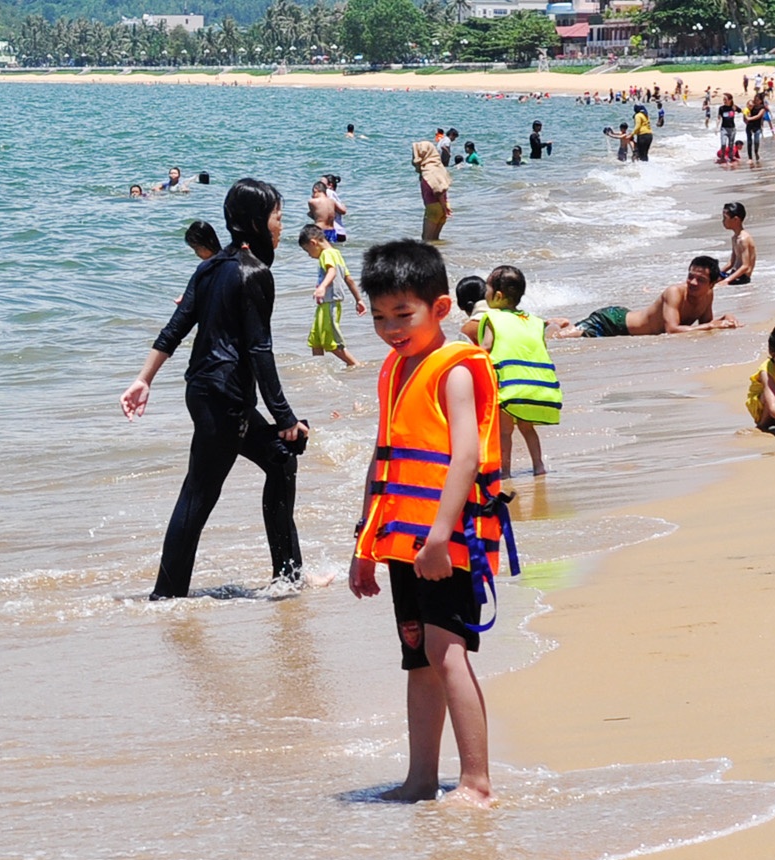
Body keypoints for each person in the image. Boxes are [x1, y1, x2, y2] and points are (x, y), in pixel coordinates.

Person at [348, 238, 511, 806]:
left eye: (405, 314)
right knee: (417, 657)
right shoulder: (395, 371)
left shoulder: (456, 370)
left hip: (448, 540)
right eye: (382, 316)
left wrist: (441, 536)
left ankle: (476, 781)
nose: (392, 328)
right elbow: (382, 456)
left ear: (440, 309)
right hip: (402, 541)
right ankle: (421, 779)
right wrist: (364, 542)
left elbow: (465, 456)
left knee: (447, 652)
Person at [119, 178, 309, 600]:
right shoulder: (254, 273)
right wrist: (286, 417)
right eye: (278, 216)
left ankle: (289, 577)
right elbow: (261, 350)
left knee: (280, 461)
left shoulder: (208, 268)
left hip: (208, 392)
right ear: (257, 221)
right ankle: (166, 597)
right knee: (200, 492)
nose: (280, 226)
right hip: (224, 398)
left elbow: (175, 328)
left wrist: (143, 378)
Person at [462, 265, 559, 475]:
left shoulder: (492, 319)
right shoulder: (533, 321)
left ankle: (505, 471)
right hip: (536, 387)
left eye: (486, 289)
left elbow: (485, 348)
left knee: (505, 432)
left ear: (497, 295)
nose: (484, 294)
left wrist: (463, 359)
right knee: (527, 428)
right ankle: (539, 466)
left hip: (509, 388)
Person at [550, 256, 739, 338]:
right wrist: (712, 325)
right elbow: (672, 330)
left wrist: (726, 318)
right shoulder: (674, 292)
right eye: (691, 276)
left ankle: (565, 324)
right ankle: (557, 323)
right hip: (612, 322)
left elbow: (704, 324)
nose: (693, 283)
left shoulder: (708, 295)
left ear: (712, 284)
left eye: (701, 280)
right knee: (558, 338)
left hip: (626, 324)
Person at [299, 224, 364, 368]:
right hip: (325, 304)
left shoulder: (326, 254)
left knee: (332, 341)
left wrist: (322, 287)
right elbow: (349, 279)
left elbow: (332, 271)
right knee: (316, 339)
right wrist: (359, 299)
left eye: (307, 250)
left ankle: (355, 365)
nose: (308, 254)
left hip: (330, 302)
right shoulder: (336, 253)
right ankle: (319, 369)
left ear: (313, 243)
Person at [413, 141, 452, 242]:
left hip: (434, 206)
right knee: (435, 240)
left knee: (426, 240)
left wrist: (443, 206)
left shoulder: (429, 171)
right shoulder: (438, 167)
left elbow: (438, 190)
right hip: (443, 204)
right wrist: (445, 206)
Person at [721, 201, 757, 286]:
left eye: (725, 218)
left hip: (742, 277)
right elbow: (731, 263)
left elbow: (745, 266)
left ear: (736, 219)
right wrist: (717, 273)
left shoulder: (743, 239)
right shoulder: (734, 238)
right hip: (734, 274)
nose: (723, 221)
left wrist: (727, 280)